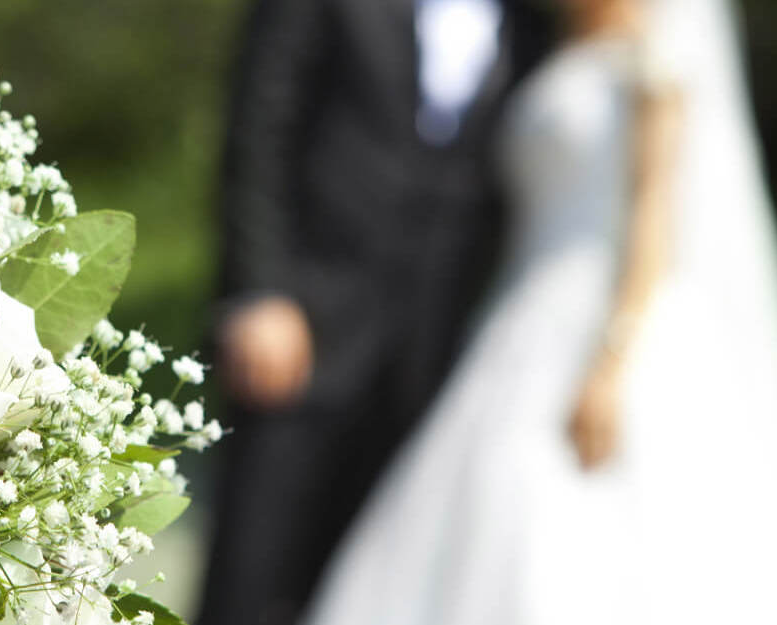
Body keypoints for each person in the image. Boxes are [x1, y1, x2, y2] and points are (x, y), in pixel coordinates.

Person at [300, 0, 777, 622]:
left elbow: (653, 228)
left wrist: (612, 358)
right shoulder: (544, 53)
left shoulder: (656, 64)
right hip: (518, 320)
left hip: (611, 320)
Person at [200, 1, 554, 624]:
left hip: (432, 360)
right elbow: (259, 125)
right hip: (301, 330)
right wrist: (260, 293)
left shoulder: (535, 26)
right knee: (246, 578)